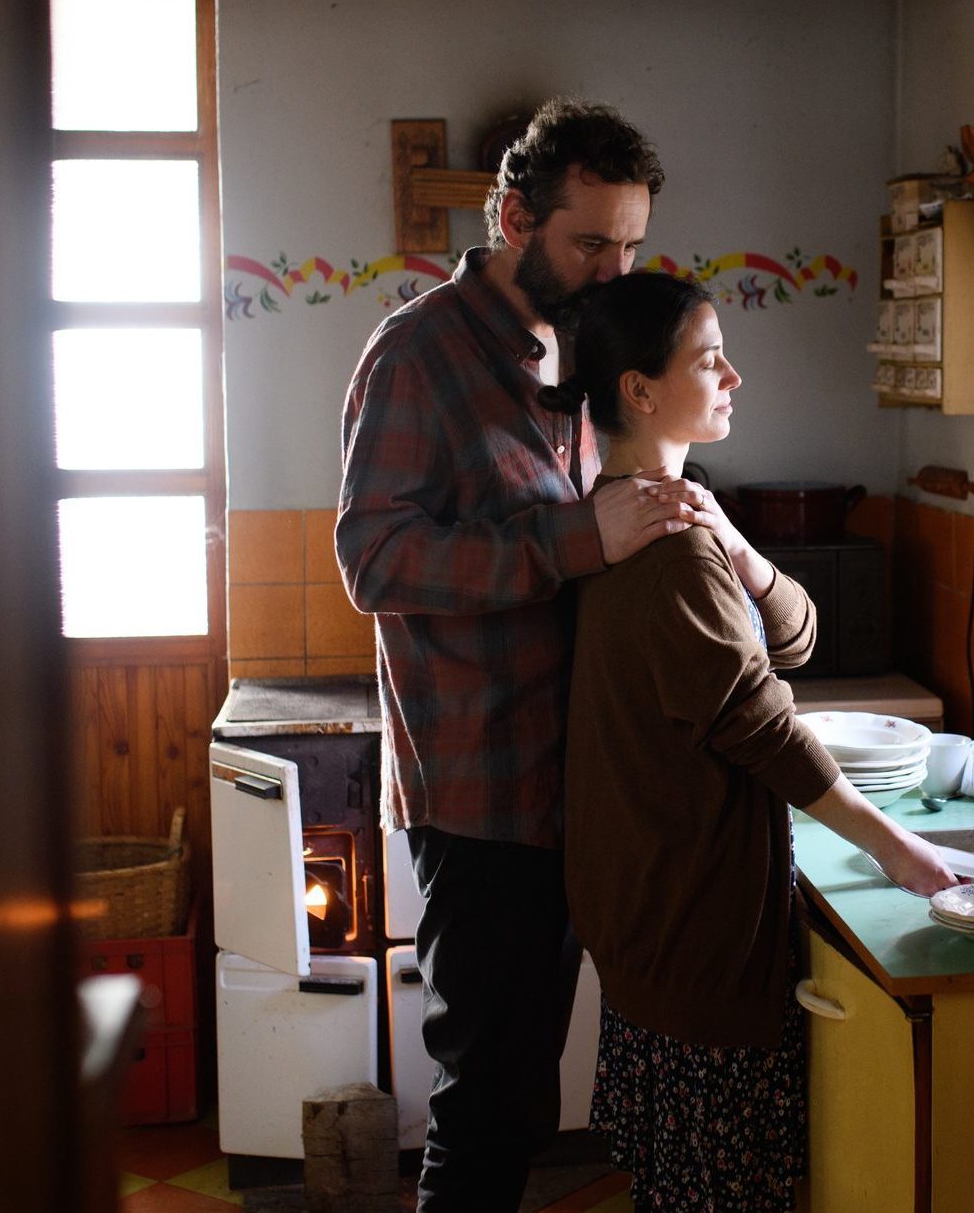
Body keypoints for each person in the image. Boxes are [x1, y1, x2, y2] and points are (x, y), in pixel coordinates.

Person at [335, 99, 717, 1213]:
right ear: (512, 216)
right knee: (487, 1103)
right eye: (589, 241)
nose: (613, 269)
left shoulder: (575, 353)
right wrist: (571, 542)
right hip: (481, 794)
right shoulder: (415, 354)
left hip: (574, 787)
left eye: (631, 244)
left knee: (529, 1098)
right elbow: (375, 557)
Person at [541, 271, 958, 1212]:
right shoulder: (666, 548)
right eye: (708, 358)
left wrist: (742, 547)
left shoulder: (635, 519)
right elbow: (762, 723)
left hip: (649, 915)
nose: (734, 375)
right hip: (696, 924)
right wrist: (898, 846)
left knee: (675, 1188)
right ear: (641, 390)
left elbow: (800, 638)